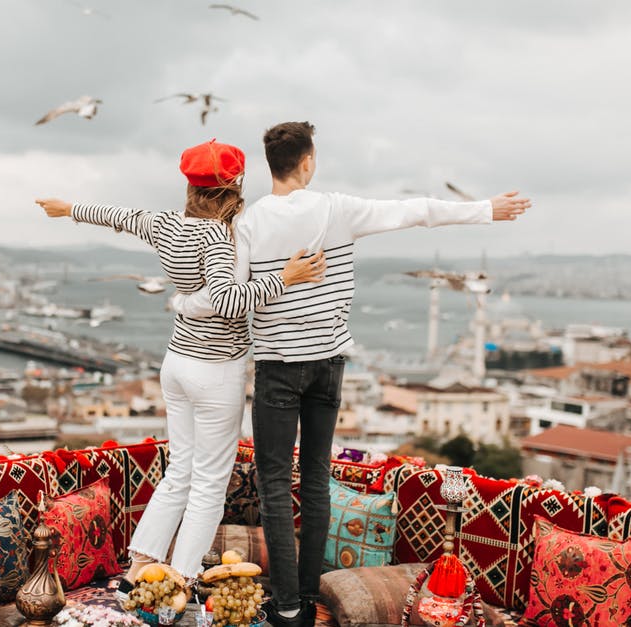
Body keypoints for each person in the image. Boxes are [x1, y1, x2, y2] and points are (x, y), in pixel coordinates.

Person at [174, 122, 529, 627]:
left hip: (278, 366)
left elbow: (230, 297)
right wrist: (485, 210)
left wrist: (182, 301)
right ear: (307, 162)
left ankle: (288, 606)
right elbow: (416, 212)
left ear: (271, 165)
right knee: (316, 477)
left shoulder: (250, 224)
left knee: (275, 484)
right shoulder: (337, 209)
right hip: (328, 365)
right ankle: (309, 594)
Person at [34, 139, 327, 594]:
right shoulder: (218, 237)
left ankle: (139, 568)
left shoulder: (167, 224)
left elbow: (121, 217)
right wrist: (284, 278)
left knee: (180, 471)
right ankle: (179, 579)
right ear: (236, 183)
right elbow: (229, 302)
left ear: (189, 184)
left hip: (176, 364)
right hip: (215, 370)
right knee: (209, 482)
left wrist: (68, 208)